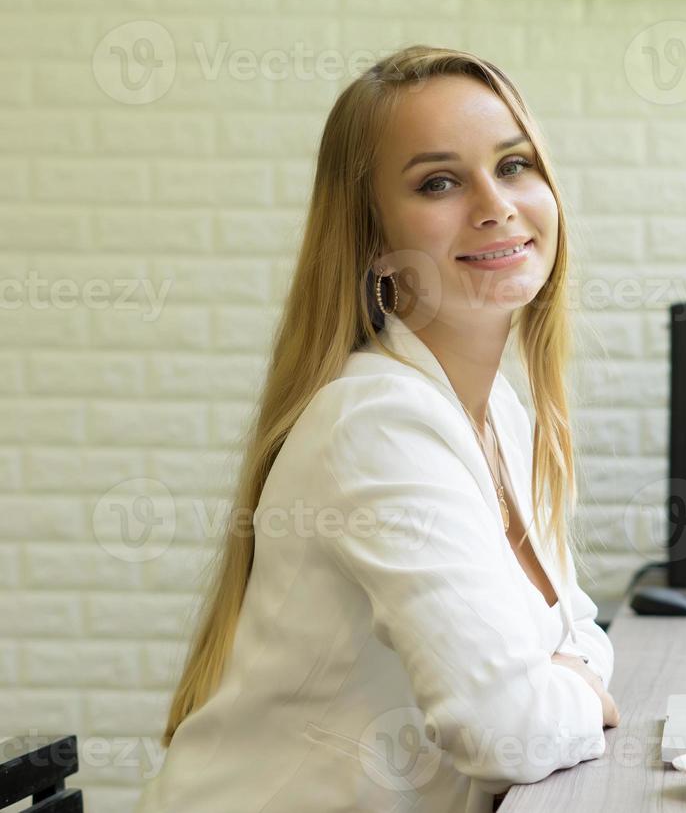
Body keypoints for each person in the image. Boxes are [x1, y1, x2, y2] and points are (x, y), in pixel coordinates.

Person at [137, 46, 620, 812]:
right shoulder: (379, 425)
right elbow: (505, 733)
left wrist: (562, 677)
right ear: (372, 242)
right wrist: (577, 690)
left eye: (515, 165)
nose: (495, 204)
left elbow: (581, 630)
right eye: (438, 182)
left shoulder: (499, 410)